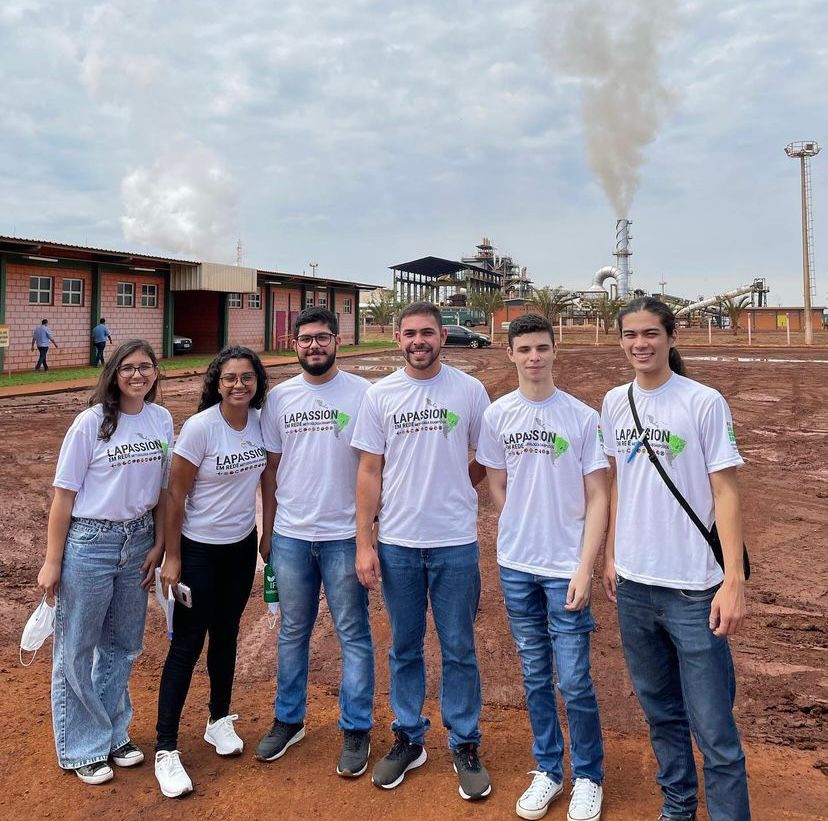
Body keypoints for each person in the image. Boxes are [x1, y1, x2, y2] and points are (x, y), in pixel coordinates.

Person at [600, 297, 750, 821]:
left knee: (713, 727)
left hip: (693, 588)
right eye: (630, 335)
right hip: (635, 587)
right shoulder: (614, 401)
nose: (639, 344)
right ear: (619, 340)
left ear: (671, 336)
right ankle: (678, 805)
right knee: (661, 713)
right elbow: (619, 482)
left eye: (649, 334)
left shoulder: (704, 402)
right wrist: (612, 553)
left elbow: (726, 493)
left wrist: (733, 581)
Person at [351, 301, 492, 801]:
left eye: (427, 333)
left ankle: (465, 742)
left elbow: (488, 456)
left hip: (455, 543)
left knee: (458, 647)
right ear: (397, 338)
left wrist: (461, 484)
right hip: (398, 544)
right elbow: (369, 470)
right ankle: (409, 737)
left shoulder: (469, 390)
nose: (418, 341)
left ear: (443, 337)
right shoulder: (381, 394)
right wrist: (364, 542)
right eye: (410, 333)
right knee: (404, 646)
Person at [476, 314, 607, 821]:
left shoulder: (581, 417)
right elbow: (497, 483)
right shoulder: (497, 416)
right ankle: (549, 770)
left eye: (542, 348)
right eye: (524, 348)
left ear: (556, 351)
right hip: (516, 565)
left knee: (573, 677)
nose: (534, 357)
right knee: (534, 674)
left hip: (565, 567)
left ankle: (589, 775)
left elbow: (599, 496)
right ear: (510, 354)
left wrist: (585, 566)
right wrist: (518, 525)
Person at [37, 339, 172, 785]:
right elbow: (64, 496)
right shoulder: (90, 423)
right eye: (128, 368)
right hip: (91, 541)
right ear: (114, 373)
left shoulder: (161, 419)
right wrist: (52, 562)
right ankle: (82, 747)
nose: (138, 375)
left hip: (138, 541)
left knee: (122, 644)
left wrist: (159, 545)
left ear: (155, 372)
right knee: (77, 647)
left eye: (145, 367)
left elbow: (163, 491)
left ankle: (113, 732)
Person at [255, 307, 374, 777]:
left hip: (345, 535)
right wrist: (268, 530)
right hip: (291, 535)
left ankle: (357, 727)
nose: (313, 347)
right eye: (305, 339)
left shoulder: (364, 394)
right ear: (294, 345)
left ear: (337, 341)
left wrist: (368, 534)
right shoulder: (279, 399)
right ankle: (289, 720)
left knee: (353, 633)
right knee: (292, 631)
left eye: (322, 338)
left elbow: (373, 466)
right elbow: (270, 470)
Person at [154, 345, 268, 798]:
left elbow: (268, 481)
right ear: (216, 383)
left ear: (257, 382)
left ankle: (218, 719)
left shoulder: (261, 424)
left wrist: (267, 533)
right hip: (198, 552)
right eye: (229, 378)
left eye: (247, 377)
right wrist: (173, 557)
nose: (239, 385)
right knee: (186, 645)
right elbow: (174, 497)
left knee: (226, 637)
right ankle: (166, 749)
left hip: (239, 550)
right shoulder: (201, 429)